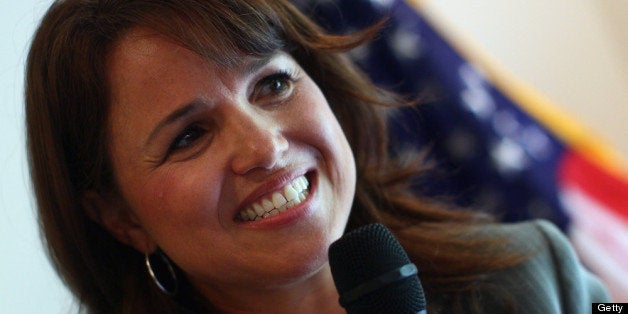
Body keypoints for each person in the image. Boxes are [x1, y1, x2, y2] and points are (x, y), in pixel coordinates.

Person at [25, 0, 609, 313]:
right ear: (121, 218)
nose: (266, 146)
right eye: (189, 136)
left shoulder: (533, 273)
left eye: (272, 85)